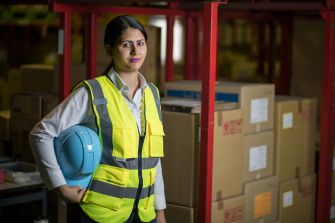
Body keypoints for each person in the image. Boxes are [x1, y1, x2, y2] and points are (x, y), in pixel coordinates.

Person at [29, 15, 166, 223]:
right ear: (109, 50)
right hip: (98, 213)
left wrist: (160, 211)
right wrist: (61, 187)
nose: (135, 51)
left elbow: (152, 161)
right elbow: (41, 133)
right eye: (126, 44)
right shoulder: (93, 92)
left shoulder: (152, 94)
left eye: (140, 43)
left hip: (143, 214)